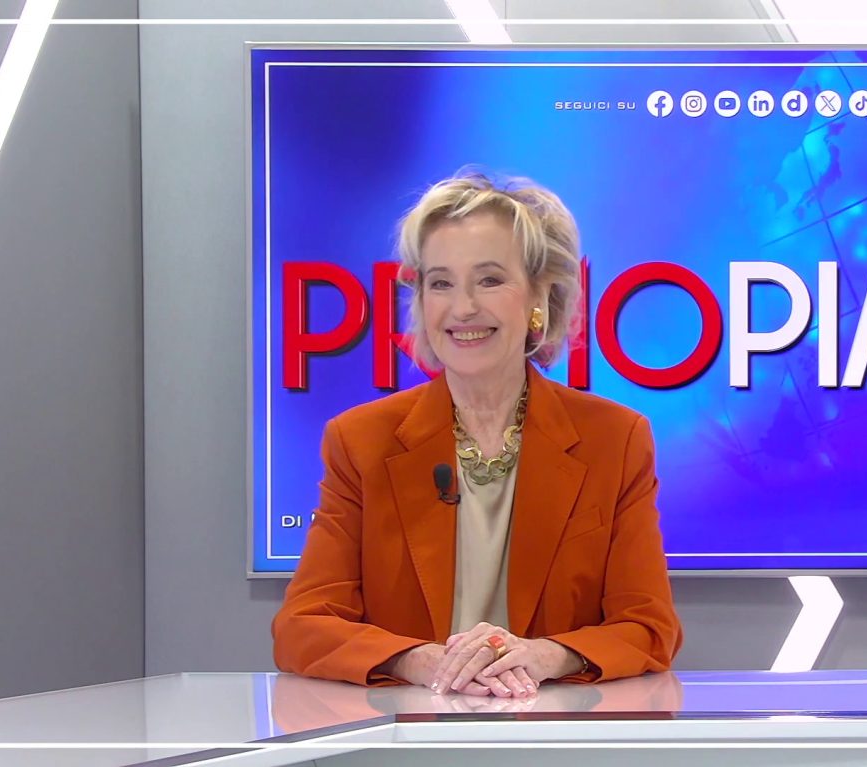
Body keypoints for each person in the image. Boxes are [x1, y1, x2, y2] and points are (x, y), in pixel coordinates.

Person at [272, 171, 682, 698]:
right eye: (441, 283)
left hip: (557, 727)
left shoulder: (615, 438)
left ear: (539, 297)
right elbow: (302, 627)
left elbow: (648, 626)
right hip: (410, 729)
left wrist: (544, 655)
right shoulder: (360, 441)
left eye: (489, 280)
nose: (463, 308)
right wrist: (422, 661)